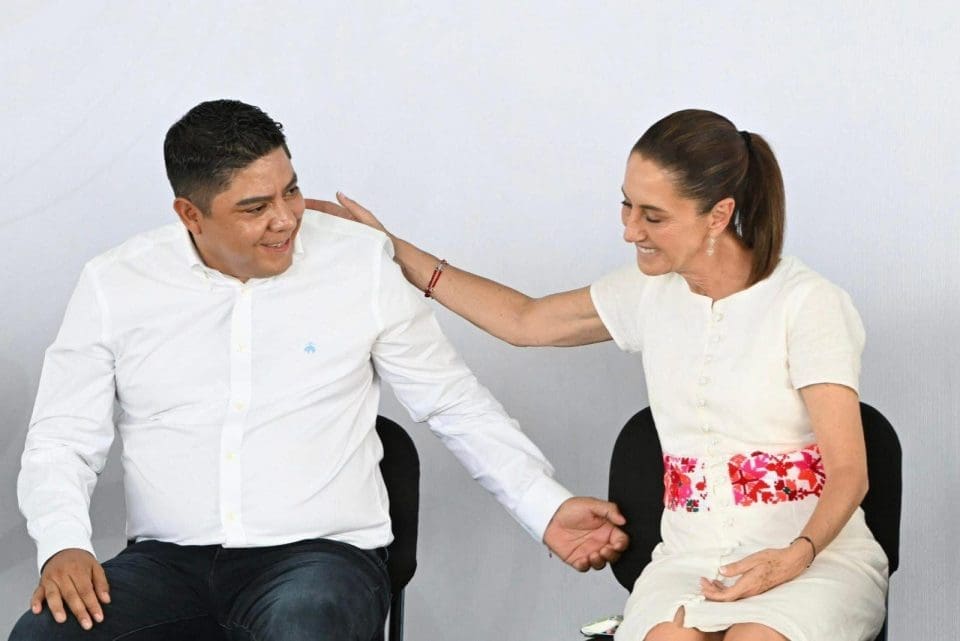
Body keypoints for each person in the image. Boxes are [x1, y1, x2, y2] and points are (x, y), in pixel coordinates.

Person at [11, 99, 629, 641]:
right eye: (255, 207)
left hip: (320, 561)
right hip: (166, 563)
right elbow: (62, 439)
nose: (286, 218)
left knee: (306, 625)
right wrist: (63, 544)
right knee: (44, 633)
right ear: (190, 214)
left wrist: (545, 507)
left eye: (290, 191)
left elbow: (454, 404)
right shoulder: (116, 283)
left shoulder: (357, 263)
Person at [308, 109, 890, 641]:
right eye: (627, 206)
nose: (631, 230)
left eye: (653, 216)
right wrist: (390, 248)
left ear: (719, 214)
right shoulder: (648, 293)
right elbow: (524, 321)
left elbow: (850, 472)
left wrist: (796, 555)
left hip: (813, 559)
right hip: (691, 560)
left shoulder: (808, 304)